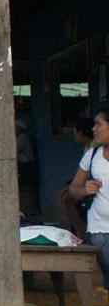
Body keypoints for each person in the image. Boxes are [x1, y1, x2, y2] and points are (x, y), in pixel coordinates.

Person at [67, 110, 109, 290]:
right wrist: (84, 190)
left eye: (99, 124)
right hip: (99, 229)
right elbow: (72, 189)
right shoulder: (91, 156)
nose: (93, 129)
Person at [59, 117, 96, 236]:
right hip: (85, 184)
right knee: (64, 196)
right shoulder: (87, 147)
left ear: (81, 132)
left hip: (94, 185)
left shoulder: (94, 146)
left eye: (75, 131)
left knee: (67, 200)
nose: (74, 134)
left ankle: (82, 233)